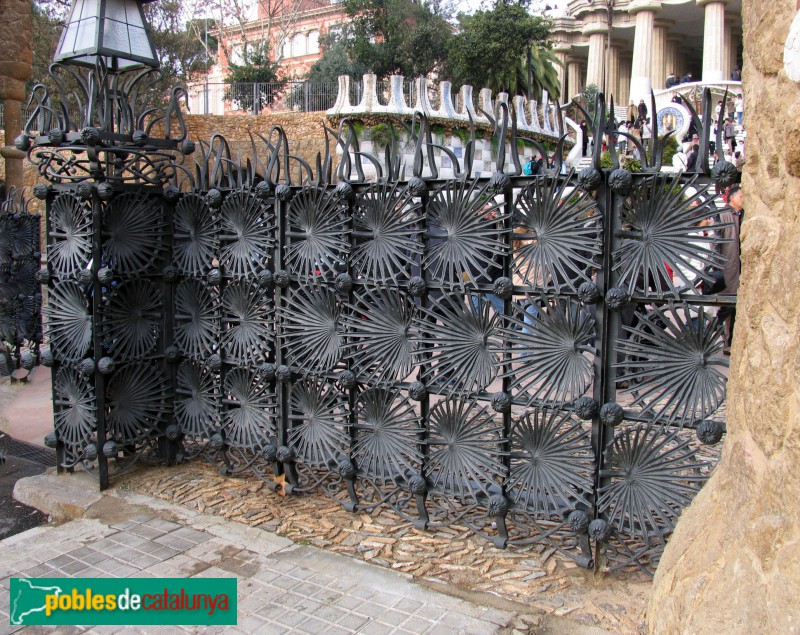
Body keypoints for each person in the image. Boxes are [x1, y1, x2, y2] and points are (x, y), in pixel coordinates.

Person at [716, 185, 743, 354]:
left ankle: (731, 340)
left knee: (735, 306)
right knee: (728, 306)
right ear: (731, 198)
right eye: (741, 195)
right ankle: (727, 339)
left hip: (739, 269)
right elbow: (716, 243)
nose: (743, 199)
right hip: (728, 269)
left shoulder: (743, 215)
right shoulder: (723, 215)